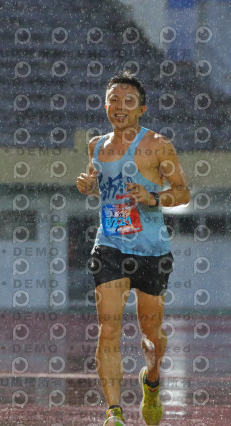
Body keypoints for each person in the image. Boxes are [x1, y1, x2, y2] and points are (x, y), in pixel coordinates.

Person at [76, 71, 191, 426]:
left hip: (152, 251)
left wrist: (153, 197)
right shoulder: (96, 146)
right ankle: (114, 412)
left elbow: (183, 193)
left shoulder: (158, 145)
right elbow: (99, 184)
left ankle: (151, 380)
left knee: (151, 336)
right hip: (110, 247)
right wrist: (88, 185)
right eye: (113, 100)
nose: (119, 106)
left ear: (141, 109)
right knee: (108, 329)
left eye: (128, 101)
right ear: (105, 105)